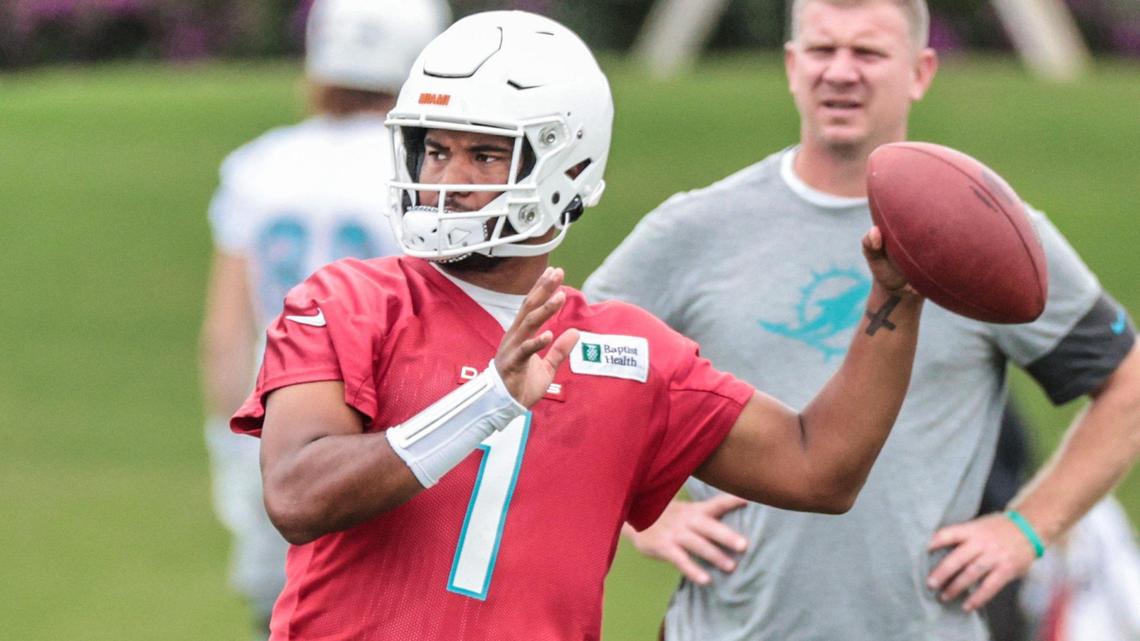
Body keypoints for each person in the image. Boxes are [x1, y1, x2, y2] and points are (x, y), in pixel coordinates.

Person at [228, 10, 931, 640]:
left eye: (485, 153)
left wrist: (895, 301)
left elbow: (819, 468)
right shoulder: (348, 300)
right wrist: (485, 403)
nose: (447, 178)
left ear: (568, 163)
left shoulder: (632, 351)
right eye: (435, 150)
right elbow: (296, 493)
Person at [583, 0, 1140, 639]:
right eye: (822, 50)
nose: (841, 72)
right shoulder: (692, 230)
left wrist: (1026, 527)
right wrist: (640, 514)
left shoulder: (984, 242)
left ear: (920, 71)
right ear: (793, 67)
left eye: (869, 53)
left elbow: (1128, 382)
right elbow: (570, 372)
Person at [198, 0, 449, 631]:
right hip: (387, 441)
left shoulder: (259, 163)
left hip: (276, 428)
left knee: (282, 615)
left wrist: (231, 453)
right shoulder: (425, 172)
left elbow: (224, 337)